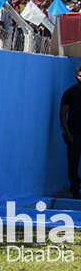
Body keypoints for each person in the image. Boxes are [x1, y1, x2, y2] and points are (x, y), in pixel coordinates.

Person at [61, 64, 81, 199]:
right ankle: (75, 190)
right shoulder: (70, 93)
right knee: (73, 163)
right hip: (74, 133)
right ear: (77, 77)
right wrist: (67, 133)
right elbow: (62, 114)